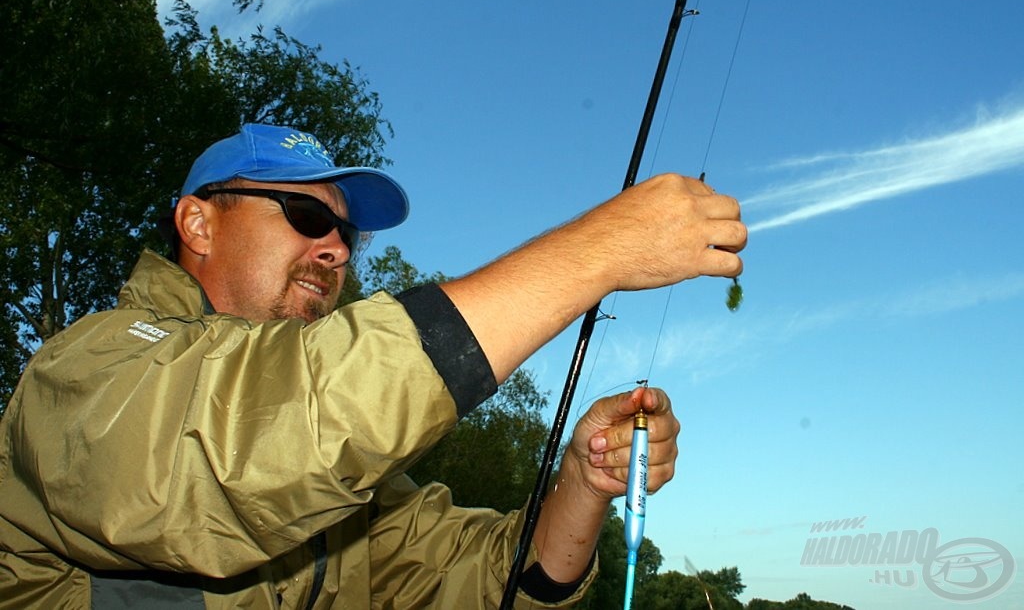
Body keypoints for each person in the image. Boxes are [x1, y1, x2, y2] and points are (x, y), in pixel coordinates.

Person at [0, 123, 746, 608]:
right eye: (307, 218)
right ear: (198, 221)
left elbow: (492, 579)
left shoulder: (355, 503)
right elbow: (245, 437)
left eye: (345, 234)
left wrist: (586, 481)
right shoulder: (86, 371)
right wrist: (598, 250)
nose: (337, 250)